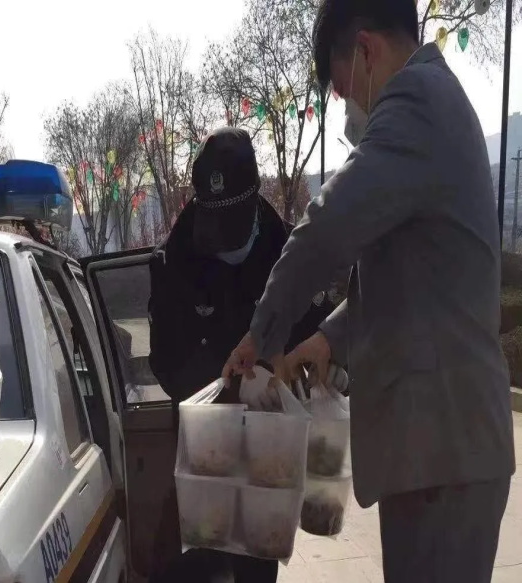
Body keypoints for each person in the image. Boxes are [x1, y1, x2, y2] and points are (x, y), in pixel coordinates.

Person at [222, 1, 516, 582]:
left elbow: (328, 227)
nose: (349, 110)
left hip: (445, 451)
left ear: (365, 50)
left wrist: (261, 336)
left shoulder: (417, 100)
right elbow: (416, 281)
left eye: (343, 91)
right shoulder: (436, 104)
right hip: (441, 454)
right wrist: (329, 340)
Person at [147, 126, 336, 583]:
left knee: (256, 567)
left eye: (232, 226)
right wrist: (225, 391)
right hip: (204, 454)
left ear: (253, 204)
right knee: (189, 565)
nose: (223, 241)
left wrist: (293, 371)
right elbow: (165, 361)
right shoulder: (176, 260)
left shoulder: (287, 252)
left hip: (266, 458)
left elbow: (317, 342)